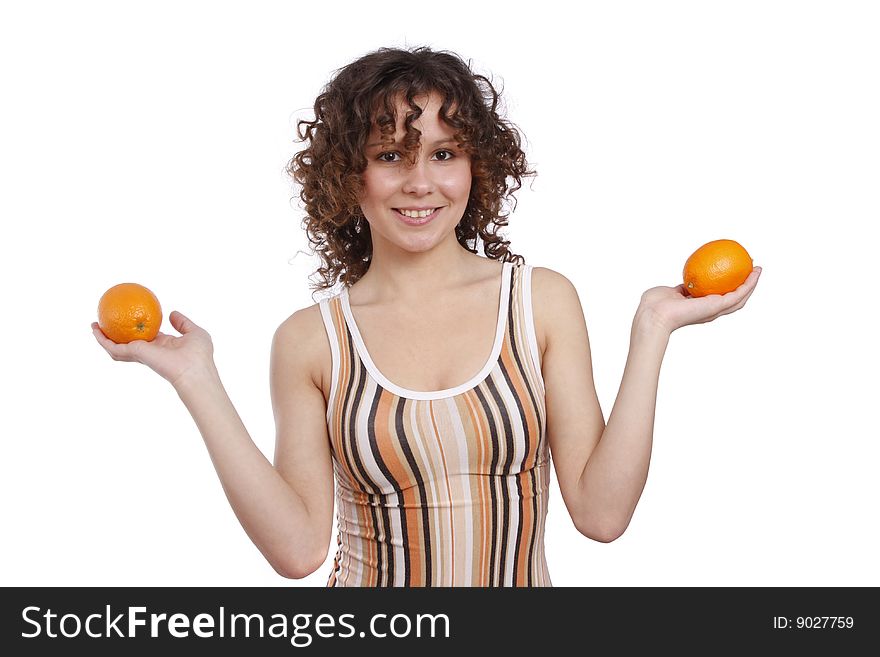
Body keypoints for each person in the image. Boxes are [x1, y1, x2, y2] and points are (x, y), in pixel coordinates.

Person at [91, 46, 762, 587]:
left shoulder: (540, 302)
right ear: (349, 176)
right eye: (391, 156)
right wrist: (196, 378)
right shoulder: (310, 341)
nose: (421, 183)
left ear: (477, 166)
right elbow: (297, 551)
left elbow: (603, 512)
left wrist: (652, 329)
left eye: (444, 153)